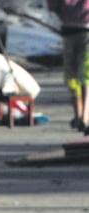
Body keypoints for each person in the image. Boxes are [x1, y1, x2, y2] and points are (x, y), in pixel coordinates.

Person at [52, 0, 89, 133]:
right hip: (69, 30)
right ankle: (78, 115)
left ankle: (84, 116)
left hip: (86, 30)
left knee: (84, 74)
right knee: (71, 76)